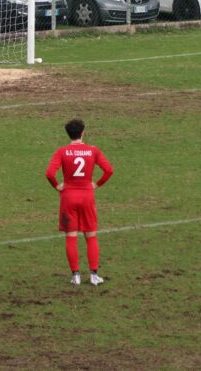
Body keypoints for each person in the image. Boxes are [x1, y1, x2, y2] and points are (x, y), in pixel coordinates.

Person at [46, 119, 114, 286]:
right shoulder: (93, 151)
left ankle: (75, 275)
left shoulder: (62, 152)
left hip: (68, 197)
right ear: (82, 132)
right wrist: (97, 184)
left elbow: (49, 173)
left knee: (71, 236)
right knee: (91, 236)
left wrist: (57, 186)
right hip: (87, 196)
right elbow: (109, 170)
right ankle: (93, 275)